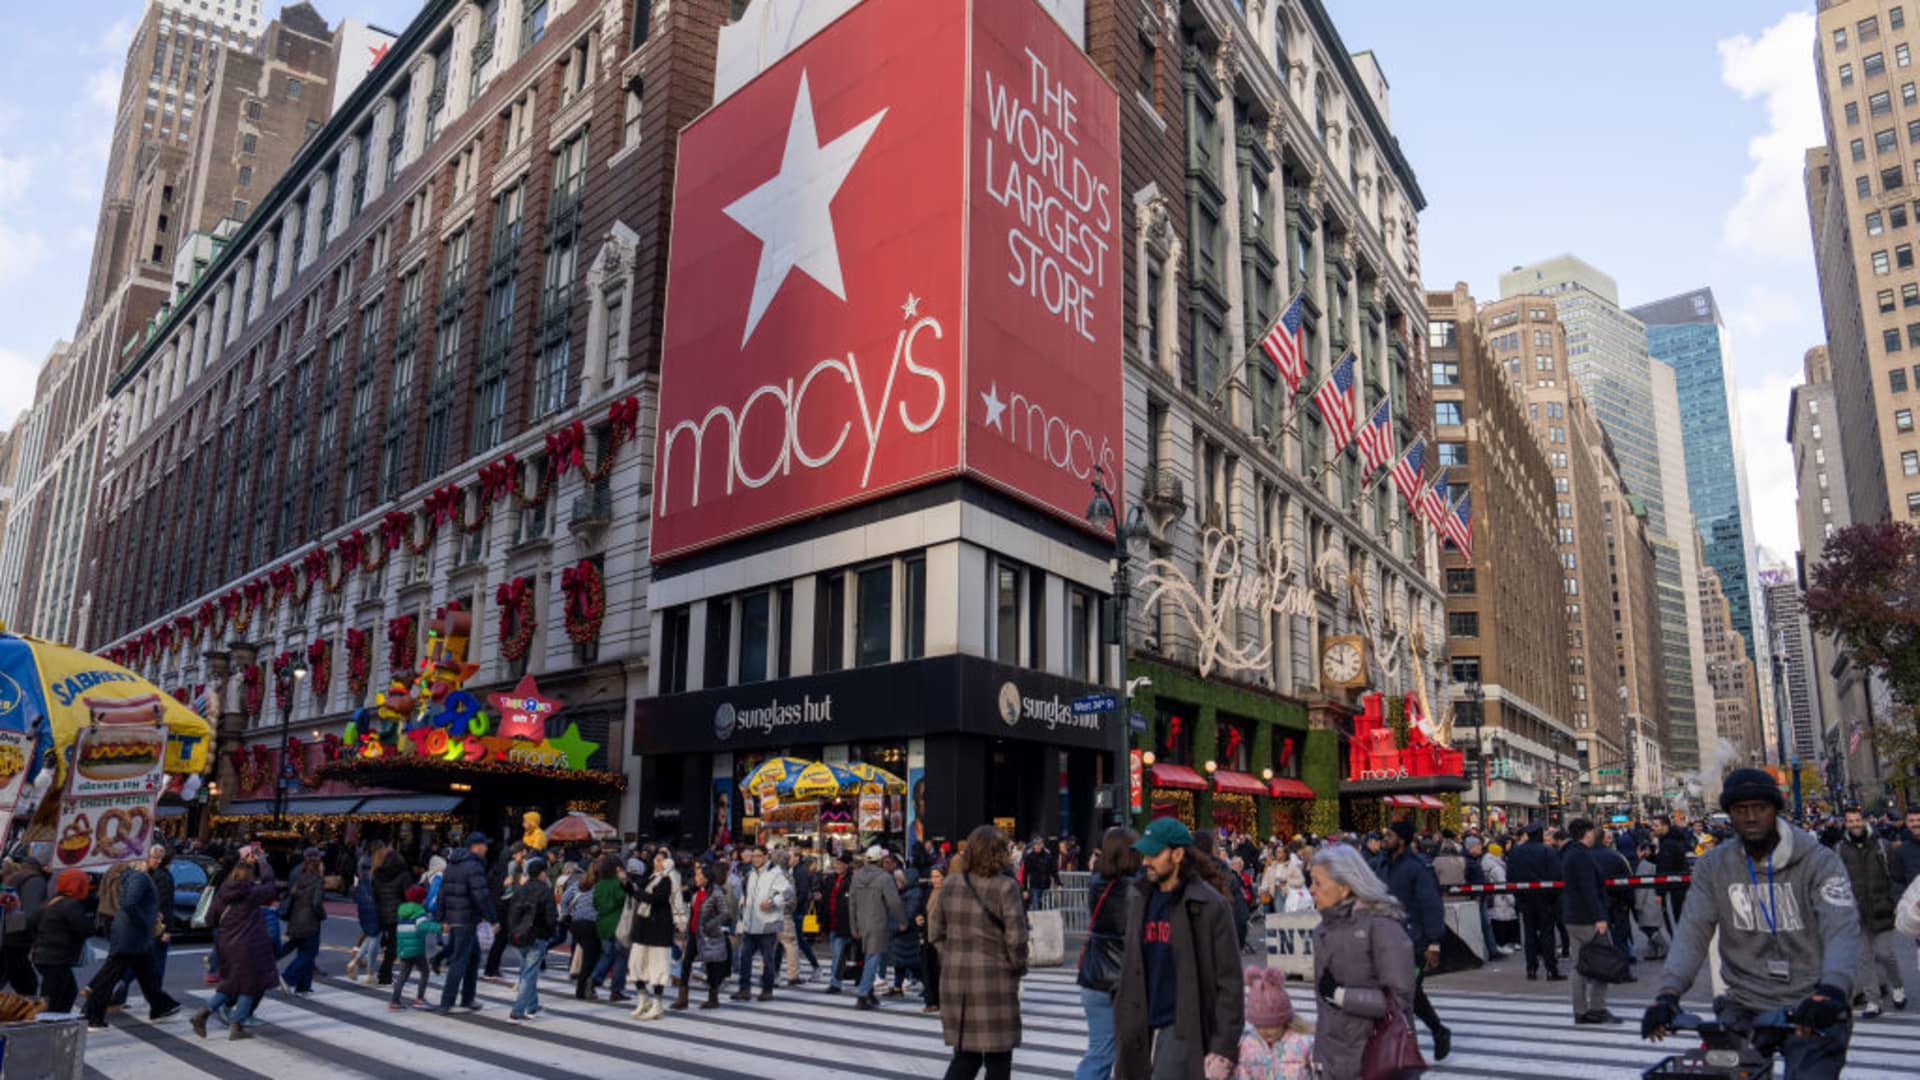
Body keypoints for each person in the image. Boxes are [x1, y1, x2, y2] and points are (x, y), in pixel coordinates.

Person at [1642, 768, 1862, 1080]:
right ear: (1729, 814)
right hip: (1744, 1002)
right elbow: (1692, 930)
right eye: (1740, 810)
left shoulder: (1819, 860)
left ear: (1776, 809)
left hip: (1811, 1000)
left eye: (1760, 807)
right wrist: (1668, 993)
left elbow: (1841, 927)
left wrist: (1834, 988)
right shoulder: (1713, 866)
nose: (1750, 817)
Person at [1113, 818, 1244, 1080]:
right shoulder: (1139, 898)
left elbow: (1229, 983)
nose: (1146, 861)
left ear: (1177, 854)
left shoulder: (1209, 905)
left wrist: (1222, 1049)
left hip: (1183, 1026)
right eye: (1144, 854)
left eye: (1154, 854)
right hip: (1139, 1025)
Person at [927, 824, 1029, 1080]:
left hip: (956, 980)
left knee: (965, 1055)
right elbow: (1017, 939)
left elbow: (935, 932)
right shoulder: (1006, 887)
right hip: (995, 980)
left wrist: (950, 957)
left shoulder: (950, 884)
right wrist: (1016, 967)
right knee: (998, 1057)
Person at [1307, 844, 1416, 1080]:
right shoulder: (1322, 931)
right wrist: (1319, 1058)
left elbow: (1399, 1001)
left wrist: (1341, 996)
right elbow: (1324, 1012)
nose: (1311, 889)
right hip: (1336, 1063)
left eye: (1318, 882)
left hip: (1378, 1059)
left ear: (1344, 888)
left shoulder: (1382, 927)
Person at [1377, 819, 1451, 1059]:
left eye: (1389, 835)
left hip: (1415, 941)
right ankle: (1437, 1031)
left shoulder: (1418, 867)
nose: (1384, 839)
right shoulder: (1383, 864)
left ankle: (1409, 1045)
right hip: (1389, 939)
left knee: (1407, 993)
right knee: (1408, 993)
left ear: (1401, 839)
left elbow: (1431, 905)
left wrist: (1433, 942)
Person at [82, 854, 181, 1030]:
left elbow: (132, 903)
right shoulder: (140, 878)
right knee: (111, 976)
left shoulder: (131, 876)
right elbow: (129, 904)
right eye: (150, 858)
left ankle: (161, 1007)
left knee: (147, 974)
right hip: (132, 935)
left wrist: (148, 917)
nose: (155, 861)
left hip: (133, 935)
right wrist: (146, 921)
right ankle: (91, 1015)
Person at [1076, 827, 1139, 1080]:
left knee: (1099, 1051)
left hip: (1094, 975)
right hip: (1123, 980)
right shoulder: (1135, 890)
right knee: (1133, 1054)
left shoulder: (1097, 883)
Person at [191, 859, 276, 1040]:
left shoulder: (223, 892)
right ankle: (236, 1025)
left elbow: (209, 920)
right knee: (249, 986)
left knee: (230, 983)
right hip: (249, 945)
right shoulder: (252, 893)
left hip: (226, 944)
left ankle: (204, 1013)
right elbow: (270, 885)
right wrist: (263, 863)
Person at [1834, 807, 1904, 1016]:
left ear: (1864, 821)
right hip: (1855, 911)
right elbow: (1836, 881)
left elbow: (1894, 876)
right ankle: (1873, 1001)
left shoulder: (1882, 846)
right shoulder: (1839, 850)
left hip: (1881, 907)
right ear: (1845, 824)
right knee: (1863, 958)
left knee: (1885, 954)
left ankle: (1897, 986)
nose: (1855, 824)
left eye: (1857, 820)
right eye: (1850, 821)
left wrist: (1894, 902)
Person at [1559, 818, 1617, 1025]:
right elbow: (1589, 888)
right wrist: (1600, 916)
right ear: (1587, 833)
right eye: (1593, 831)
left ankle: (1580, 1010)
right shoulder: (1582, 856)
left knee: (1579, 964)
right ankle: (1598, 1008)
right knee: (1601, 961)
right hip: (1587, 919)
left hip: (1572, 916)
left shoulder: (1568, 853)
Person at [435, 832, 497, 1013]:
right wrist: (493, 918)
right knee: (460, 960)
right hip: (467, 918)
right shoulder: (473, 866)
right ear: (476, 846)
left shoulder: (452, 865)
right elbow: (481, 895)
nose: (486, 848)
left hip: (457, 918)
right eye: (484, 845)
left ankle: (467, 998)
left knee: (472, 958)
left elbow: (442, 894)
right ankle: (447, 1002)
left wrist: (442, 918)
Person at [669, 860, 733, 1011]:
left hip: (708, 936)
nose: (695, 878)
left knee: (711, 967)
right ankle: (682, 999)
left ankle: (713, 998)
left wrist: (710, 925)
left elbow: (725, 913)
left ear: (706, 877)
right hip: (693, 934)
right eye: (696, 875)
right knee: (686, 964)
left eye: (698, 875)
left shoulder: (716, 892)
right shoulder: (696, 891)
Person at [733, 845, 793, 1001]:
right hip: (750, 924)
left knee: (768, 959)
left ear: (766, 856)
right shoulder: (750, 873)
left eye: (759, 856)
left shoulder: (776, 873)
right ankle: (744, 989)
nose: (756, 859)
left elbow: (788, 892)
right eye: (754, 856)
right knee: (744, 957)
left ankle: (767, 990)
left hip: (767, 923)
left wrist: (773, 902)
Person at [850, 845, 906, 1010]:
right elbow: (894, 902)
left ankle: (869, 993)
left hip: (862, 921)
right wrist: (902, 920)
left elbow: (851, 903)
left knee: (869, 957)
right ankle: (863, 994)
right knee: (873, 958)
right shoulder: (884, 877)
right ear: (880, 860)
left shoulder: (857, 876)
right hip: (878, 921)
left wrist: (854, 926)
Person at [1233, 966, 1313, 1080]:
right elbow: (1243, 1074)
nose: (1264, 1031)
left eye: (1271, 1025)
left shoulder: (1303, 1043)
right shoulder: (1248, 1046)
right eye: (1258, 1026)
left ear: (1284, 1021)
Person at [1508, 822, 1565, 981]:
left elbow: (1510, 876)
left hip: (1525, 898)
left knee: (1529, 933)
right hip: (1546, 898)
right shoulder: (1548, 851)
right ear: (1540, 835)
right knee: (1547, 933)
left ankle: (1531, 968)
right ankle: (1551, 968)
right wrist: (1555, 896)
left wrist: (1518, 895)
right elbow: (1557, 875)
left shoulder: (1516, 852)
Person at [27, 869, 89, 1014]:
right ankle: (47, 1024)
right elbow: (85, 929)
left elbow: (32, 922)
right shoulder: (71, 905)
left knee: (65, 991)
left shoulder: (53, 900)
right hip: (56, 957)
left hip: (45, 955)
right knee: (55, 996)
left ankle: (56, 1020)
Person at [625, 849, 676, 1020]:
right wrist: (625, 883)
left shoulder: (669, 880)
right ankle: (643, 998)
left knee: (658, 967)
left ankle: (657, 1004)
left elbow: (657, 899)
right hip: (644, 927)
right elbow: (638, 891)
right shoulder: (651, 878)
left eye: (661, 860)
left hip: (659, 929)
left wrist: (635, 891)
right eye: (656, 859)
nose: (657, 863)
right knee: (635, 964)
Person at [504, 856, 555, 1023]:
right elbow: (551, 917)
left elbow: (512, 912)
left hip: (519, 935)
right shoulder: (545, 890)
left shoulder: (521, 889)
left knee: (526, 971)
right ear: (542, 873)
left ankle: (532, 1006)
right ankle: (517, 1011)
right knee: (529, 974)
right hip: (537, 935)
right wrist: (550, 932)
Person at [279, 847, 327, 995]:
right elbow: (316, 903)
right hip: (310, 920)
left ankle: (304, 985)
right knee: (309, 953)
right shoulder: (317, 880)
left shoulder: (298, 874)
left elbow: (292, 894)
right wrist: (322, 915)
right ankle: (288, 977)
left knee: (303, 949)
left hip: (296, 917)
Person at [2, 855, 47, 997]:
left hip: (8, 935)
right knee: (26, 981)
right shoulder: (34, 880)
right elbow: (31, 913)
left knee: (16, 974)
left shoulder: (16, 877)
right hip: (15, 937)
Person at [389, 885, 438, 1010]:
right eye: (424, 898)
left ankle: (394, 1001)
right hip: (416, 949)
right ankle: (420, 999)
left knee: (403, 974)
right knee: (425, 972)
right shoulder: (419, 912)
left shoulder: (401, 911)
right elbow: (423, 926)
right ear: (420, 900)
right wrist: (439, 927)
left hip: (404, 949)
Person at [563, 859, 605, 1000]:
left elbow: (565, 898)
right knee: (591, 959)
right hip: (591, 924)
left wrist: (566, 912)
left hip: (576, 923)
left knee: (588, 957)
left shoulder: (579, 884)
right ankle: (582, 990)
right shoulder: (601, 886)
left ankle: (584, 988)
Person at [371, 841, 412, 986]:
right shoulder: (404, 876)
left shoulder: (378, 874)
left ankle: (383, 973)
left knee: (390, 944)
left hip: (383, 913)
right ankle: (385, 974)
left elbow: (375, 894)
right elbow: (408, 896)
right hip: (398, 913)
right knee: (394, 947)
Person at [823, 853, 856, 994]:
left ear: (847, 865)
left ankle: (835, 983)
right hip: (832, 922)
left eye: (841, 864)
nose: (837, 866)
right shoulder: (831, 879)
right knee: (837, 954)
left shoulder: (852, 880)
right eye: (836, 863)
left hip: (844, 924)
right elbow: (826, 899)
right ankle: (836, 980)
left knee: (838, 954)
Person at [1482, 841, 1520, 954]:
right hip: (1501, 900)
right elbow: (1503, 885)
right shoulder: (1497, 868)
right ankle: (1501, 945)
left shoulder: (1485, 864)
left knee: (1495, 922)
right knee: (1502, 923)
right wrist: (1512, 900)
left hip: (1492, 898)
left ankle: (1498, 944)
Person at [921, 866, 946, 1015]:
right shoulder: (928, 892)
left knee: (941, 970)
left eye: (937, 876)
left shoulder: (948, 894)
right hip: (928, 935)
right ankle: (931, 1000)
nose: (934, 880)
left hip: (942, 937)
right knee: (929, 969)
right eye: (933, 876)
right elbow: (922, 909)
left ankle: (942, 1000)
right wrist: (918, 917)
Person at [1021, 836, 1056, 912]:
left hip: (1046, 886)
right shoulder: (1029, 857)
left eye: (1039, 844)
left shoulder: (1048, 856)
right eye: (1036, 844)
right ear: (1033, 846)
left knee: (1047, 908)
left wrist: (1058, 882)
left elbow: (1053, 870)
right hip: (1034, 886)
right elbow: (1025, 874)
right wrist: (1025, 890)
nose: (1037, 846)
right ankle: (1036, 923)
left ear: (1042, 845)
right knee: (1036, 908)